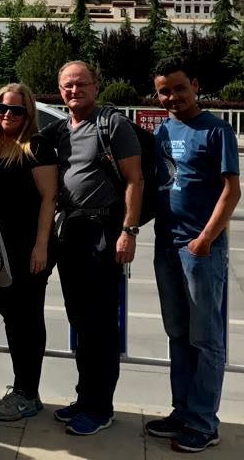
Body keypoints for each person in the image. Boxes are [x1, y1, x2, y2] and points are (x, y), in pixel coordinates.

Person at [145, 57, 240, 453]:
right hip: (166, 246)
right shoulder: (163, 129)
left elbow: (230, 190)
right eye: (164, 91)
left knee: (206, 338)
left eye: (179, 88)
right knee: (178, 334)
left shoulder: (216, 130)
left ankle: (204, 421)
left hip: (200, 250)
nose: (171, 97)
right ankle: (182, 410)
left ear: (195, 86)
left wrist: (204, 240)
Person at [47, 61, 143, 436]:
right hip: (71, 231)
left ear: (96, 86)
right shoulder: (61, 130)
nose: (74, 90)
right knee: (81, 321)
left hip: (103, 230)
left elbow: (135, 179)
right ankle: (86, 396)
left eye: (81, 84)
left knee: (101, 324)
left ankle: (100, 407)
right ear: (60, 91)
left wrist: (128, 230)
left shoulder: (112, 125)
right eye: (67, 86)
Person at [0, 83, 58, 422]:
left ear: (28, 114)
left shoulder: (37, 147)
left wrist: (40, 246)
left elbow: (49, 198)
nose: (8, 114)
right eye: (2, 109)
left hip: (28, 247)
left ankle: (28, 392)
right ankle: (22, 387)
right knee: (12, 317)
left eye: (16, 110)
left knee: (27, 319)